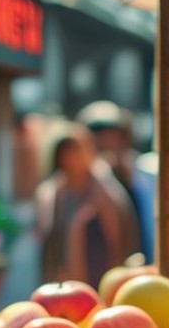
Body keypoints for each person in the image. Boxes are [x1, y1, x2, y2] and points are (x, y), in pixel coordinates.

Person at [35, 120, 139, 286]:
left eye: (76, 151)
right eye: (66, 153)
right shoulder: (53, 192)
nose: (71, 159)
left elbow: (116, 237)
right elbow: (48, 238)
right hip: (65, 277)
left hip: (100, 272)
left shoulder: (102, 187)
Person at [77, 101, 150, 259]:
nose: (105, 141)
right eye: (98, 134)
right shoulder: (81, 180)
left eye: (111, 134)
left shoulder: (141, 174)